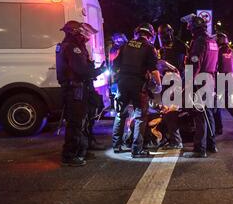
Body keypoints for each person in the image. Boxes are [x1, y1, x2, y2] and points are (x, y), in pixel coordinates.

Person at [56, 21, 106, 166]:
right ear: (75, 32)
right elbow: (81, 70)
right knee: (75, 123)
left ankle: (80, 150)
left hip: (77, 89)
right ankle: (69, 156)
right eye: (83, 33)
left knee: (81, 122)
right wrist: (98, 71)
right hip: (75, 90)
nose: (86, 36)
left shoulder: (70, 46)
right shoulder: (72, 47)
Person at [111, 23, 161, 158]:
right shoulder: (149, 48)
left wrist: (118, 79)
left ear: (136, 33)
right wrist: (159, 85)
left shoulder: (125, 46)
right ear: (150, 35)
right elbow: (154, 70)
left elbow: (114, 66)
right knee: (140, 116)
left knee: (120, 114)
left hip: (122, 83)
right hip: (138, 85)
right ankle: (136, 150)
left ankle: (116, 146)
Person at [182, 15, 218, 158]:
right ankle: (211, 145)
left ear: (194, 27)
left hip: (200, 79)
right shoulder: (212, 41)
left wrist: (187, 83)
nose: (188, 28)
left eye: (189, 26)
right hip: (210, 79)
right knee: (208, 113)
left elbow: (195, 63)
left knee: (199, 114)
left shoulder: (199, 41)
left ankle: (199, 149)